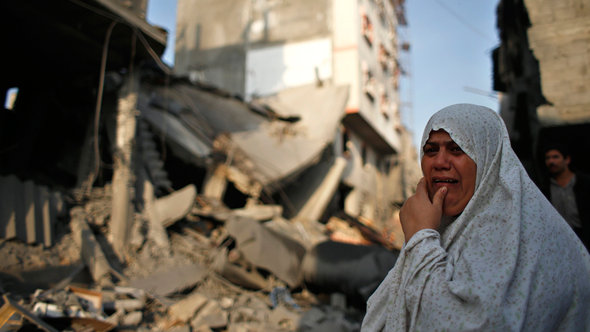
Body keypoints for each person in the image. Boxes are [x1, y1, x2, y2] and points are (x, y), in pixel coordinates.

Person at [361, 104, 590, 331]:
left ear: (488, 158)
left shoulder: (522, 235)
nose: (440, 162)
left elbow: (465, 324)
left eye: (457, 149)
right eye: (431, 150)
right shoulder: (447, 228)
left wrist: (420, 238)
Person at [541, 145, 590, 250]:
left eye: (555, 157)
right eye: (548, 158)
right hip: (561, 239)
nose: (551, 161)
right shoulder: (545, 188)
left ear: (566, 160)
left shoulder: (583, 182)